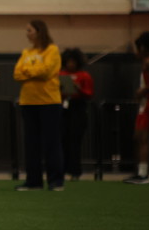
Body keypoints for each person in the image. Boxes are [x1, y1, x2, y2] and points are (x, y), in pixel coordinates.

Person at [13, 20, 64, 191]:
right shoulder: (26, 52)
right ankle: (33, 181)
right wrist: (34, 71)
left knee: (51, 143)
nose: (27, 34)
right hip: (28, 102)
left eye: (29, 30)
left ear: (39, 31)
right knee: (31, 144)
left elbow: (47, 72)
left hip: (49, 102)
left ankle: (55, 181)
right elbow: (17, 73)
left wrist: (28, 71)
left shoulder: (52, 50)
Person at [125, 32, 149, 184]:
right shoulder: (147, 61)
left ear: (144, 47)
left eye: (139, 48)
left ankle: (143, 173)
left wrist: (144, 90)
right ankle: (142, 173)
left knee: (143, 137)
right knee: (140, 137)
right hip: (146, 102)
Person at [59, 48, 94, 181]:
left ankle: (75, 171)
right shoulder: (60, 74)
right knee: (63, 140)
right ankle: (62, 169)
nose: (70, 64)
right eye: (68, 61)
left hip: (78, 108)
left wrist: (79, 89)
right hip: (63, 108)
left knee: (75, 141)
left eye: (73, 62)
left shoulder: (84, 76)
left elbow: (89, 94)